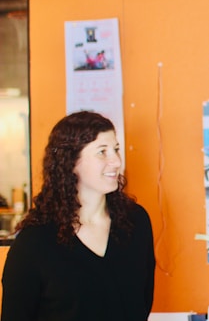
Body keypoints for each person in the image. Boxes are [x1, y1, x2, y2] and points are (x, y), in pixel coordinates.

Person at [1, 111, 156, 321]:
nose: (117, 161)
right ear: (71, 162)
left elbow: (142, 302)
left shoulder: (136, 222)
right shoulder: (34, 243)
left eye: (116, 150)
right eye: (102, 152)